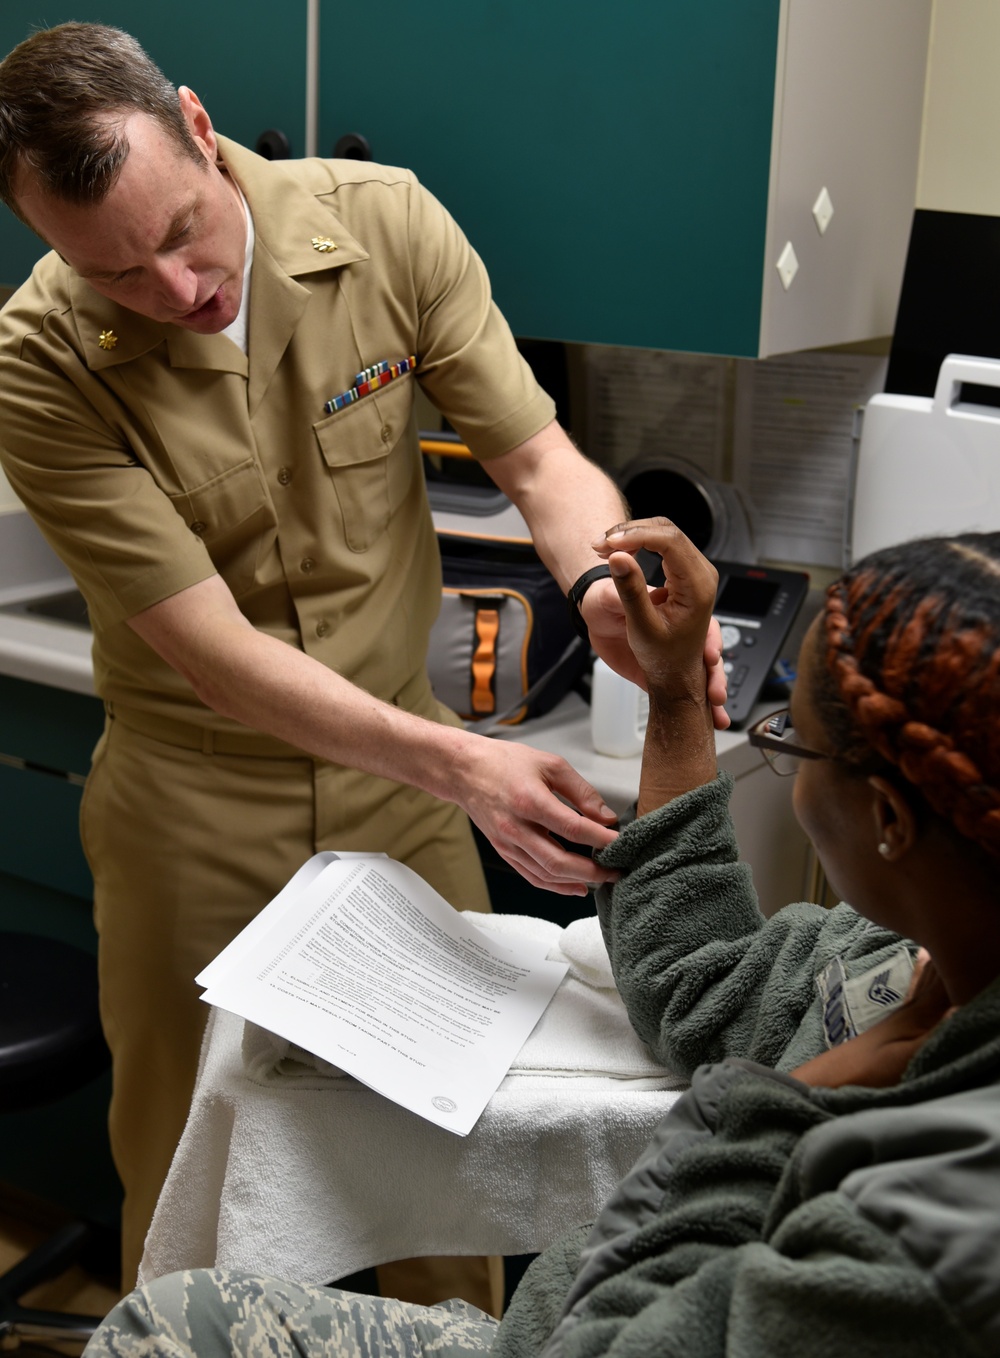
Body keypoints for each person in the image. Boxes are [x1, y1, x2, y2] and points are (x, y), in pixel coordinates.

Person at [0, 23, 729, 1296]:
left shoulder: (383, 225)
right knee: (194, 1183)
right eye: (113, 270)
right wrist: (470, 763)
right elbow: (216, 655)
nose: (175, 290)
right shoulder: (38, 357)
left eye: (179, 233)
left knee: (445, 1160)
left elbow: (538, 459)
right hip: (196, 802)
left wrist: (602, 584)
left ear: (197, 122)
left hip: (407, 787)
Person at [85, 520, 1000, 1356]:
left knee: (163, 1338)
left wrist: (776, 1102)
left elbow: (595, 1336)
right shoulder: (899, 959)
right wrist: (676, 692)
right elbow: (703, 986)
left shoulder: (934, 1232)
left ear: (887, 816)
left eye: (786, 742)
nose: (780, 758)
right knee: (175, 1318)